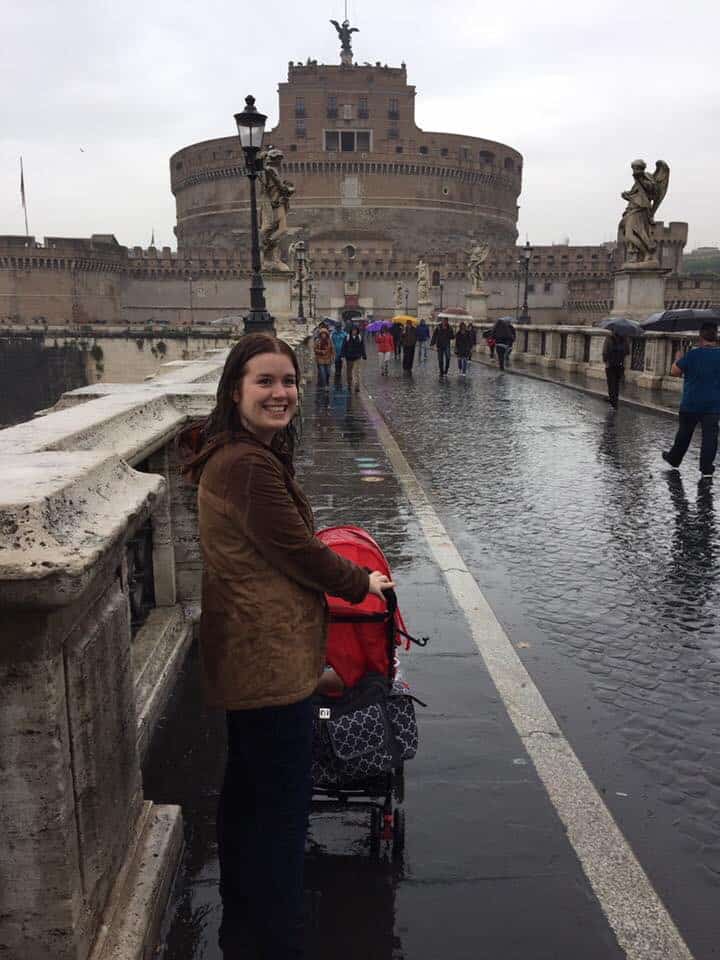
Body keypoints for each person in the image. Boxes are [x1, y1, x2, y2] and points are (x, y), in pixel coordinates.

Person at [178, 333, 394, 959]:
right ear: (235, 390)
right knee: (278, 813)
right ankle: (275, 940)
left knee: (248, 799)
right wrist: (364, 582)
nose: (282, 393)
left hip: (247, 652)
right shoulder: (246, 465)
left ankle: (245, 930)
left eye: (288, 381)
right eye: (265, 382)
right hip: (267, 659)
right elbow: (300, 553)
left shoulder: (236, 454)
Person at [663, 323, 720, 479]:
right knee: (710, 437)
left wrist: (677, 359)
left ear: (700, 337)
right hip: (713, 405)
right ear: (716, 337)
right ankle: (706, 468)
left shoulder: (693, 355)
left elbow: (674, 372)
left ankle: (674, 458)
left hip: (691, 403)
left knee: (684, 434)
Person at [602, 332, 629, 408]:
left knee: (611, 384)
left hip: (610, 365)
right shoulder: (624, 339)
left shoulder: (608, 338)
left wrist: (605, 361)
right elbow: (627, 352)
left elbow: (605, 351)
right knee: (616, 384)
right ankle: (615, 401)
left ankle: (612, 401)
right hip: (620, 365)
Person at [342, 324, 367, 392]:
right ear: (351, 331)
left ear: (357, 331)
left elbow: (362, 346)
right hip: (349, 357)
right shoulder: (347, 337)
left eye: (355, 330)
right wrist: (343, 355)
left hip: (357, 357)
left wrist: (364, 355)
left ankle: (357, 385)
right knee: (349, 372)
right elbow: (344, 347)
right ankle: (349, 384)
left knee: (357, 372)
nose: (354, 331)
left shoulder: (359, 337)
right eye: (353, 330)